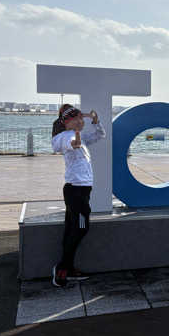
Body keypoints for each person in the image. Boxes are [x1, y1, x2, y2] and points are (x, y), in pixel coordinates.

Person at [51, 105, 106, 286]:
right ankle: (63, 268)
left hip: (79, 190)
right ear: (67, 122)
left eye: (81, 119)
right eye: (76, 119)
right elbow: (70, 143)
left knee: (71, 229)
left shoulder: (80, 137)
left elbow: (100, 135)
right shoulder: (66, 137)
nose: (81, 122)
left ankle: (66, 269)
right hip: (76, 192)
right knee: (81, 228)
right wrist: (75, 140)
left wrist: (95, 121)